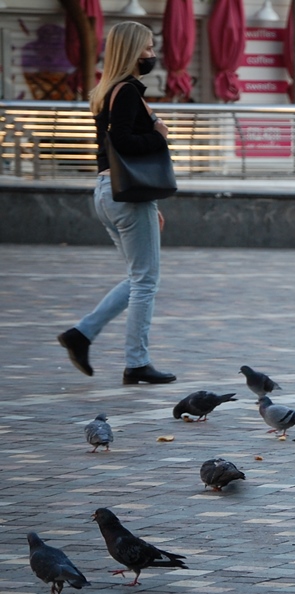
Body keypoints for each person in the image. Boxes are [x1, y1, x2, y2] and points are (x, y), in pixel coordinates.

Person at [56, 22, 176, 385]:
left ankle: (81, 334)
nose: (153, 54)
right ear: (133, 51)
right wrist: (159, 137)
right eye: (148, 48)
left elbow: (113, 147)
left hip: (110, 193)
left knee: (138, 278)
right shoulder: (126, 92)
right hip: (125, 197)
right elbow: (123, 143)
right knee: (146, 282)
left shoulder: (109, 90)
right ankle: (137, 362)